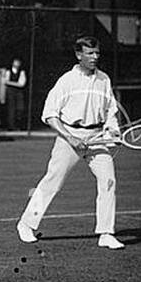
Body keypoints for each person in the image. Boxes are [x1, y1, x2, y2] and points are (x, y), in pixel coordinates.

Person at [17, 37, 124, 249]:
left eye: (97, 53)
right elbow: (49, 115)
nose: (95, 57)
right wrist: (71, 137)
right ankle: (26, 224)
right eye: (90, 53)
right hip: (69, 138)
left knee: (109, 182)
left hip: (96, 139)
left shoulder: (104, 80)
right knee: (52, 182)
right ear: (79, 55)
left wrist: (113, 131)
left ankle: (106, 233)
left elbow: (110, 111)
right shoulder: (66, 81)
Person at [4, 58, 28, 130]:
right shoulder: (8, 72)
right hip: (10, 91)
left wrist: (10, 83)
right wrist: (16, 83)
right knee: (11, 109)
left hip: (18, 92)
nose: (16, 65)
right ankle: (11, 126)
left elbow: (22, 84)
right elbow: (5, 81)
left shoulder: (21, 72)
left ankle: (19, 125)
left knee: (20, 108)